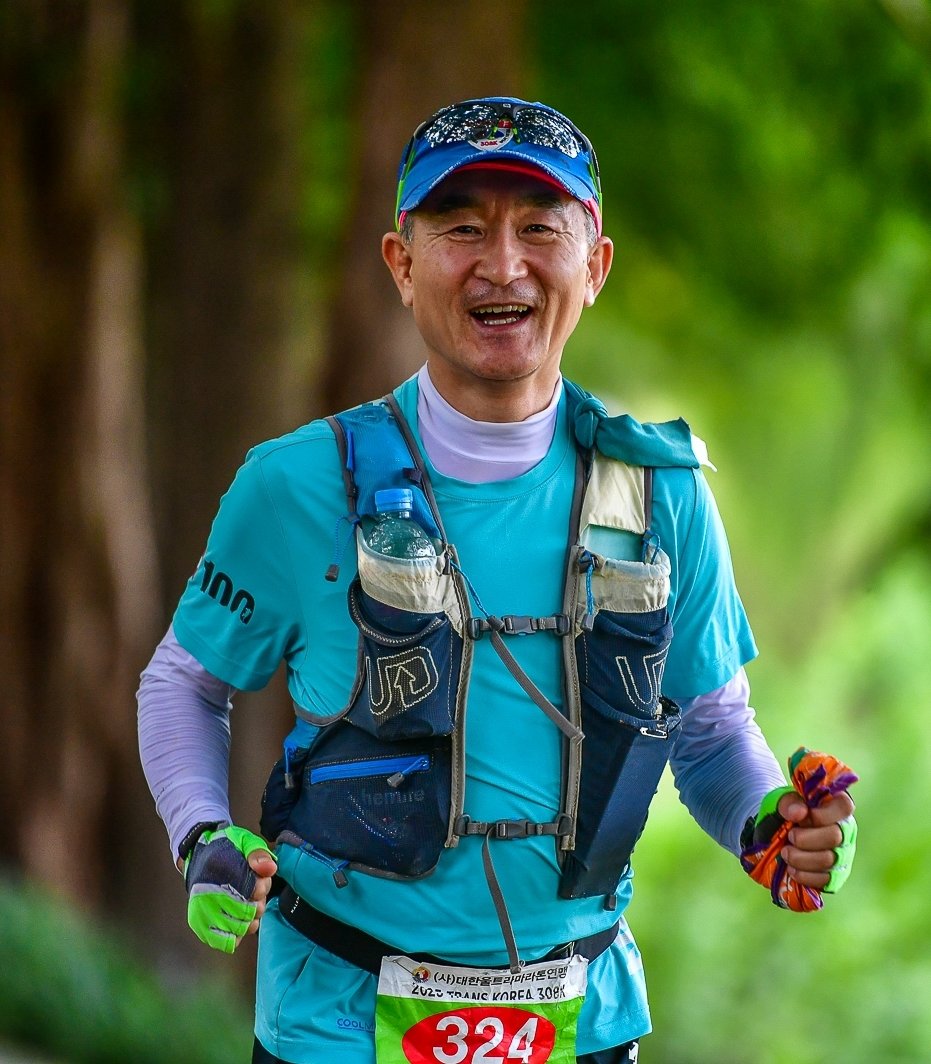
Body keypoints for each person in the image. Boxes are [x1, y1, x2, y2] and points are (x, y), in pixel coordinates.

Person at [138, 97, 858, 1064]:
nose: (501, 263)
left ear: (594, 264)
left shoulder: (660, 496)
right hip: (335, 1024)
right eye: (460, 227)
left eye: (538, 228)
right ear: (400, 263)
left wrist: (774, 826)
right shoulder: (294, 483)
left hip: (582, 1023)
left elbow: (711, 730)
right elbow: (183, 681)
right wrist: (201, 836)